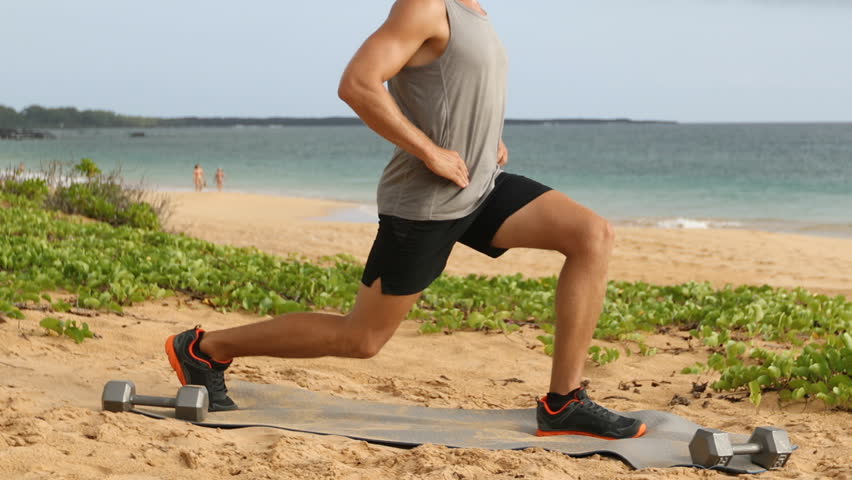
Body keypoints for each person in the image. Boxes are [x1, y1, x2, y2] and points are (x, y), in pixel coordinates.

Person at [165, 0, 645, 440]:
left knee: (591, 234)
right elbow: (358, 83)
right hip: (427, 201)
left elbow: (454, 90)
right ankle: (205, 349)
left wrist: (487, 137)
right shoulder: (425, 5)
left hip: (481, 187)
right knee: (362, 338)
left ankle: (563, 403)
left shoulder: (475, 11)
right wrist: (429, 151)